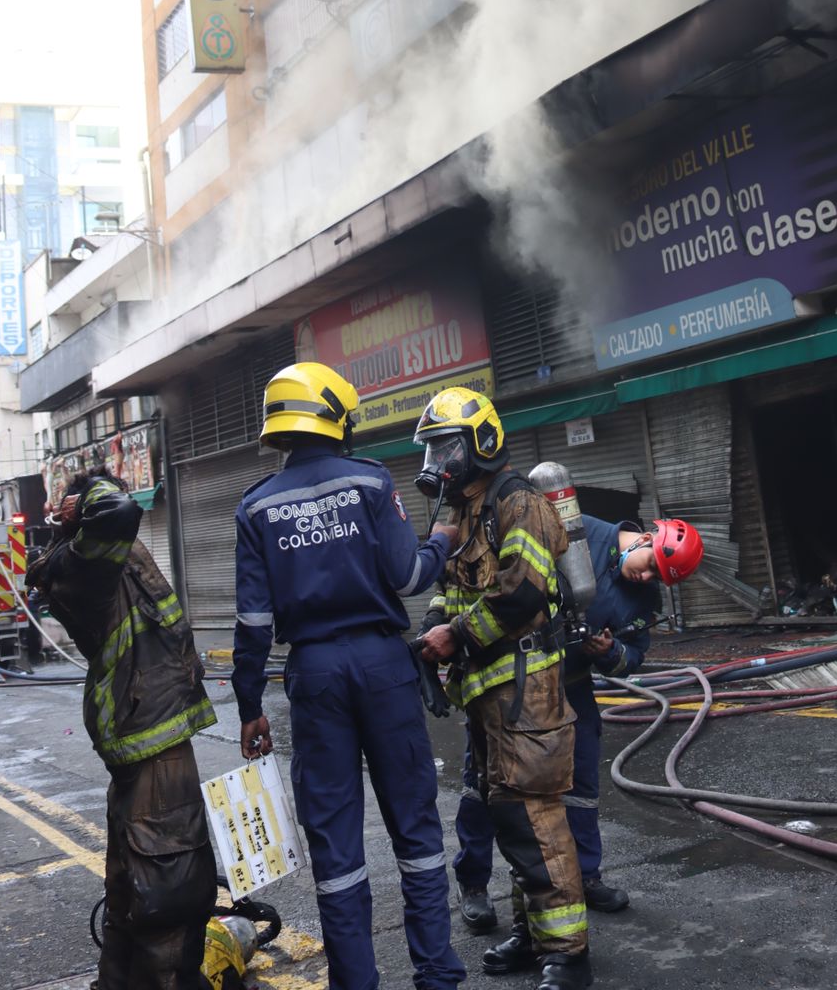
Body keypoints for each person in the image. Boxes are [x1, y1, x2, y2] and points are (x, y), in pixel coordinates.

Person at [230, 361, 466, 990]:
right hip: (384, 666)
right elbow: (410, 578)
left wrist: (249, 704)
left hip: (313, 675)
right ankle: (437, 973)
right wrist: (441, 539)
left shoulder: (255, 508)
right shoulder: (368, 482)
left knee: (335, 845)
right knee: (414, 825)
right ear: (333, 415)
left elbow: (253, 622)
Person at [448, 514, 703, 930]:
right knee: (486, 780)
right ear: (645, 538)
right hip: (516, 680)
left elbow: (632, 655)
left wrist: (609, 650)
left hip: (572, 685)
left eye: (660, 577)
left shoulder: (644, 601)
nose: (648, 578)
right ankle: (473, 883)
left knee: (581, 784)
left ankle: (585, 876)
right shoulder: (573, 526)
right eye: (653, 564)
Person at [416, 387, 591, 990]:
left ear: (481, 444)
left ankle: (569, 953)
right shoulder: (468, 511)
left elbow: (521, 594)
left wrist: (456, 638)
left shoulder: (519, 503)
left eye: (446, 447)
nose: (437, 461)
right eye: (433, 448)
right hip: (489, 695)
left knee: (533, 814)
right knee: (507, 813)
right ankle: (534, 933)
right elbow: (448, 589)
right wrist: (433, 630)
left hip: (526, 689)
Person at [26, 467, 218, 990]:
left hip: (147, 731)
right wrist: (83, 497)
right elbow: (117, 509)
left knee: (132, 888)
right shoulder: (87, 565)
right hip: (150, 736)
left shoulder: (95, 562)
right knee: (169, 888)